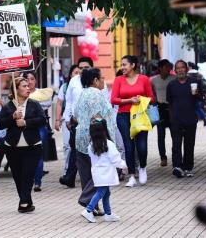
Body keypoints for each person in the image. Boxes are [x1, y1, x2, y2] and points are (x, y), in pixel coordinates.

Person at [0, 77, 46, 213]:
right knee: (18, 176)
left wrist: (26, 122)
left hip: (32, 145)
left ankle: (23, 202)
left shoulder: (34, 104)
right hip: (13, 147)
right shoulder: (8, 107)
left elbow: (42, 120)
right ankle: (27, 201)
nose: (28, 88)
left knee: (28, 175)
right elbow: (0, 125)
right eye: (24, 86)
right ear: (16, 89)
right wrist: (12, 117)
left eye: (28, 86)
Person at [74, 68, 118, 214]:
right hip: (95, 138)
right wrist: (103, 138)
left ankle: (94, 207)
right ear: (95, 80)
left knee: (86, 172)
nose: (104, 81)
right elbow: (97, 117)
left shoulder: (82, 94)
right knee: (101, 171)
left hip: (81, 138)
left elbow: (75, 115)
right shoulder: (96, 94)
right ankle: (87, 199)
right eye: (102, 78)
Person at [111, 55, 154, 187]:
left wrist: (141, 99)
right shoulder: (118, 80)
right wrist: (129, 100)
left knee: (141, 147)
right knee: (128, 147)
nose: (122, 67)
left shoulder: (144, 79)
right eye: (122, 65)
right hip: (123, 116)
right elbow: (113, 99)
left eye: (125, 65)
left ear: (133, 65)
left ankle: (142, 167)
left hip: (140, 116)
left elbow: (152, 98)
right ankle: (131, 175)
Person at [81, 117, 127, 223]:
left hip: (97, 173)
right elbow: (115, 159)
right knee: (101, 192)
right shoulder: (108, 144)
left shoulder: (91, 145)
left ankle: (108, 213)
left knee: (106, 193)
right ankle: (88, 210)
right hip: (106, 173)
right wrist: (124, 165)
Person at [60, 57, 94, 188]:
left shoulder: (96, 80)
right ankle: (70, 177)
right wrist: (67, 118)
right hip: (76, 121)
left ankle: (90, 176)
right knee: (74, 148)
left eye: (86, 67)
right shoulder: (74, 81)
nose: (83, 70)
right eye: (81, 68)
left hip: (92, 122)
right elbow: (68, 101)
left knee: (90, 149)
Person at [167, 60, 202, 178]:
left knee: (189, 144)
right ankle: (177, 167)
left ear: (186, 69)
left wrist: (196, 93)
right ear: (175, 70)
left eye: (182, 67)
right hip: (176, 120)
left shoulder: (195, 82)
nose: (180, 70)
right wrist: (172, 118)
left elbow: (201, 97)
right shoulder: (171, 85)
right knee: (176, 144)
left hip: (191, 119)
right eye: (178, 68)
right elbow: (169, 102)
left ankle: (188, 167)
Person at [22, 71, 53, 192]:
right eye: (27, 79)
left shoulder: (41, 93)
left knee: (38, 153)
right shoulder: (21, 93)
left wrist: (33, 103)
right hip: (25, 127)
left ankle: (37, 182)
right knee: (27, 154)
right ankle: (28, 180)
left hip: (40, 127)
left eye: (32, 79)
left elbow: (47, 104)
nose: (30, 82)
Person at [54, 64, 81, 176]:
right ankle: (66, 170)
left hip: (79, 119)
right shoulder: (65, 87)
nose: (78, 74)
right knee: (67, 146)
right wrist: (58, 119)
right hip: (67, 118)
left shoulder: (84, 85)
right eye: (75, 72)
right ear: (70, 74)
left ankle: (77, 170)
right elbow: (60, 103)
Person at [150, 59, 176, 167]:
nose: (168, 69)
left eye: (169, 66)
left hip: (171, 108)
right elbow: (150, 91)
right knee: (161, 135)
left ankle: (176, 155)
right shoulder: (153, 80)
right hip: (160, 108)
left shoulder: (173, 79)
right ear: (160, 68)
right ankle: (163, 157)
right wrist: (154, 99)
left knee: (174, 134)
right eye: (166, 67)